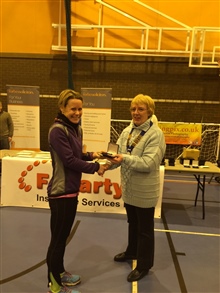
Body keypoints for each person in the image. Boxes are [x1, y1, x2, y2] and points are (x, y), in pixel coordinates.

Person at [46, 89, 108, 293]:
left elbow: (77, 154)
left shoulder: (76, 129)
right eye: (73, 109)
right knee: (57, 241)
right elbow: (70, 161)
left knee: (62, 238)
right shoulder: (57, 130)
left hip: (72, 192)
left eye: (80, 109)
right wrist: (96, 167)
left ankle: (61, 272)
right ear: (62, 108)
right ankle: (55, 287)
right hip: (60, 193)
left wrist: (92, 155)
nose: (77, 113)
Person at [107, 94, 166, 282]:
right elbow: (121, 156)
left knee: (145, 230)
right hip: (130, 189)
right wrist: (107, 164)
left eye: (141, 109)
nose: (136, 112)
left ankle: (144, 265)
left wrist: (124, 159)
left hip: (145, 191)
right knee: (133, 224)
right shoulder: (127, 131)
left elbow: (148, 163)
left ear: (149, 111)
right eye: (133, 109)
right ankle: (132, 251)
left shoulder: (155, 134)